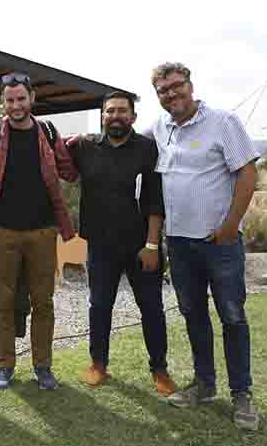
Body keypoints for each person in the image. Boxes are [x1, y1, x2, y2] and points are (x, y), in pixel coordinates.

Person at [146, 62, 261, 430]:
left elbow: (247, 171)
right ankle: (205, 384)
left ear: (190, 85)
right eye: (163, 90)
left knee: (232, 316)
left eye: (176, 86)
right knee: (193, 315)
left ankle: (241, 394)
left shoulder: (223, 122)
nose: (171, 94)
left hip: (219, 243)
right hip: (179, 243)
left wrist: (230, 225)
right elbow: (127, 142)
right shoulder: (160, 127)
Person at [0, 72, 78, 391]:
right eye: (9, 100)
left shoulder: (47, 131)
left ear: (31, 99)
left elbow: (67, 166)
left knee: (43, 301)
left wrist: (85, 145)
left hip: (43, 231)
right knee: (1, 302)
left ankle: (42, 366)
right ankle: (4, 366)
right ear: (2, 102)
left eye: (21, 98)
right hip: (2, 230)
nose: (15, 105)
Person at [65, 91, 175, 399]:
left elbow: (156, 199)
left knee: (151, 308)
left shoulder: (148, 149)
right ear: (102, 116)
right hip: (100, 245)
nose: (115, 116)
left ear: (133, 117)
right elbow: (57, 162)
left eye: (122, 111)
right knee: (100, 306)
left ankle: (160, 369)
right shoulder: (86, 147)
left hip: (141, 246)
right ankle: (98, 364)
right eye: (110, 111)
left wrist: (153, 244)